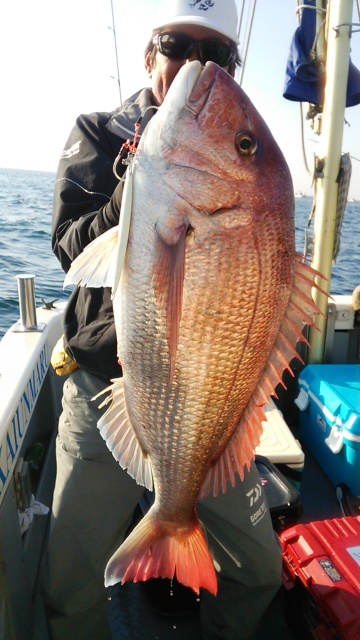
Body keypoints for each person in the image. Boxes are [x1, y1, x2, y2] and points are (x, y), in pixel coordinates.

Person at [43, 1, 286, 638]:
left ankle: (181, 535)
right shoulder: (98, 133)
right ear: (150, 55)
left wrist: (169, 174)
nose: (194, 66)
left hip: (208, 419)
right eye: (178, 45)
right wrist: (144, 183)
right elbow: (70, 246)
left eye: (218, 57)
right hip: (102, 399)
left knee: (261, 571)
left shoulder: (233, 175)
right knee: (69, 587)